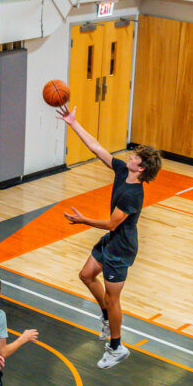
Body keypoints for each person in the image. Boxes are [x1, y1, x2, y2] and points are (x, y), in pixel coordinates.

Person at [56, 105, 162, 369]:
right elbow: (97, 148)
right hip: (112, 243)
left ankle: (116, 347)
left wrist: (82, 220)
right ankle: (106, 317)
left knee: (114, 299)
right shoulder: (123, 172)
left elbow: (112, 224)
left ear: (141, 169)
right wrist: (73, 123)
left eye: (136, 157)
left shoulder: (133, 194)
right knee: (86, 275)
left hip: (121, 249)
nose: (131, 156)